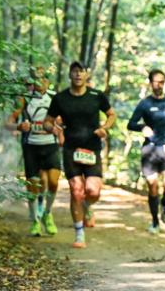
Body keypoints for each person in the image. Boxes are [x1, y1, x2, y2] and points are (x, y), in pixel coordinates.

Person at [44, 61, 116, 248]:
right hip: (71, 149)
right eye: (74, 71)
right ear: (70, 74)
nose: (77, 74)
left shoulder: (96, 96)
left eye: (81, 71)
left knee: (93, 191)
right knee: (76, 190)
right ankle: (79, 234)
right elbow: (48, 121)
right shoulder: (60, 98)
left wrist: (104, 128)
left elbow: (111, 115)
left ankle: (86, 206)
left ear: (86, 75)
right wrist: (54, 129)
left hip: (92, 148)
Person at [127, 69, 165, 234]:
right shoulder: (145, 104)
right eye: (156, 82)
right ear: (150, 83)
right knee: (152, 187)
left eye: (162, 82)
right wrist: (142, 127)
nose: (159, 85)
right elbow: (131, 124)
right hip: (150, 150)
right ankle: (154, 222)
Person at [6, 66, 62, 236]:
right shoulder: (24, 99)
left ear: (48, 81)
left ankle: (47, 213)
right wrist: (18, 126)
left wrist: (59, 128)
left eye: (43, 78)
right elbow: (7, 123)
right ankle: (35, 221)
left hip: (50, 145)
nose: (40, 82)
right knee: (33, 185)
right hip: (31, 146)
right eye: (36, 79)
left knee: (53, 182)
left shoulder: (55, 98)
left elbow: (64, 120)